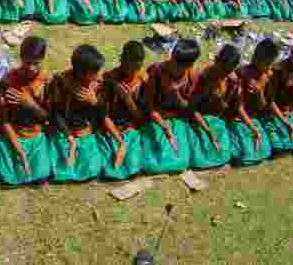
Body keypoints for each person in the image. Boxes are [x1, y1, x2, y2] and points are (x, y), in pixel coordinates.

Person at [47, 44, 110, 182]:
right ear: (81, 72)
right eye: (94, 72)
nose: (98, 75)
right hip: (63, 131)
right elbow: (54, 113)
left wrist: (94, 102)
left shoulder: (97, 85)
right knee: (60, 166)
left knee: (91, 168)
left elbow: (104, 115)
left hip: (85, 132)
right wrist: (68, 135)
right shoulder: (60, 82)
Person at [0, 36, 52, 185]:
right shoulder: (8, 81)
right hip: (13, 134)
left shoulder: (46, 81)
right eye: (27, 63)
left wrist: (30, 104)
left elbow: (47, 117)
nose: (31, 68)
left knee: (41, 174)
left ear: (43, 60)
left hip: (35, 135)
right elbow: (4, 120)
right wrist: (18, 148)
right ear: (21, 58)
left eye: (36, 64)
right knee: (8, 175)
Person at [140, 38, 200, 175]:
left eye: (177, 64)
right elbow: (148, 107)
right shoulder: (157, 72)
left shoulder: (191, 75)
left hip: (177, 120)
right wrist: (165, 127)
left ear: (188, 66)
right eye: (172, 59)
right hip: (156, 119)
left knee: (181, 160)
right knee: (154, 161)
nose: (171, 64)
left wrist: (176, 93)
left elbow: (188, 107)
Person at [99, 41, 149, 179]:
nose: (133, 71)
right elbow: (103, 115)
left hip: (131, 129)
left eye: (137, 68)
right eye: (130, 66)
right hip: (110, 130)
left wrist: (128, 100)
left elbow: (141, 118)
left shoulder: (143, 81)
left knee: (132, 165)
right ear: (123, 61)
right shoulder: (109, 79)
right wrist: (118, 139)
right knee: (110, 166)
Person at [187, 44, 240, 169]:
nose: (225, 74)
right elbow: (192, 110)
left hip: (216, 121)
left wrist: (220, 98)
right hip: (197, 121)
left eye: (229, 71)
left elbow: (225, 108)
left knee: (225, 153)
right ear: (216, 60)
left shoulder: (231, 80)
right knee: (200, 155)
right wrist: (208, 132)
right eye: (224, 70)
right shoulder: (201, 77)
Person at [226, 38, 277, 165]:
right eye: (267, 63)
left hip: (253, 119)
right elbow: (239, 108)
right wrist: (252, 127)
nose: (269, 67)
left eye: (271, 63)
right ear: (256, 57)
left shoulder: (266, 77)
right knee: (244, 152)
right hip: (237, 119)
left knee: (264, 150)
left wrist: (260, 92)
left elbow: (263, 107)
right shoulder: (242, 74)